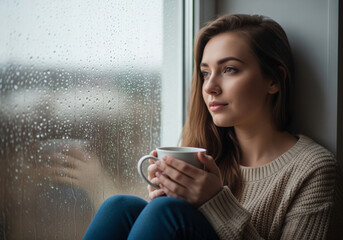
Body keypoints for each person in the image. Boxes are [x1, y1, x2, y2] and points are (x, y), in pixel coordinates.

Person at [83, 14, 342, 240]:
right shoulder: (207, 154)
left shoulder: (313, 168)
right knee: (120, 206)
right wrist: (167, 194)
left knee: (166, 213)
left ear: (273, 81)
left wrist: (215, 201)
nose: (209, 87)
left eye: (229, 69)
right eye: (205, 73)